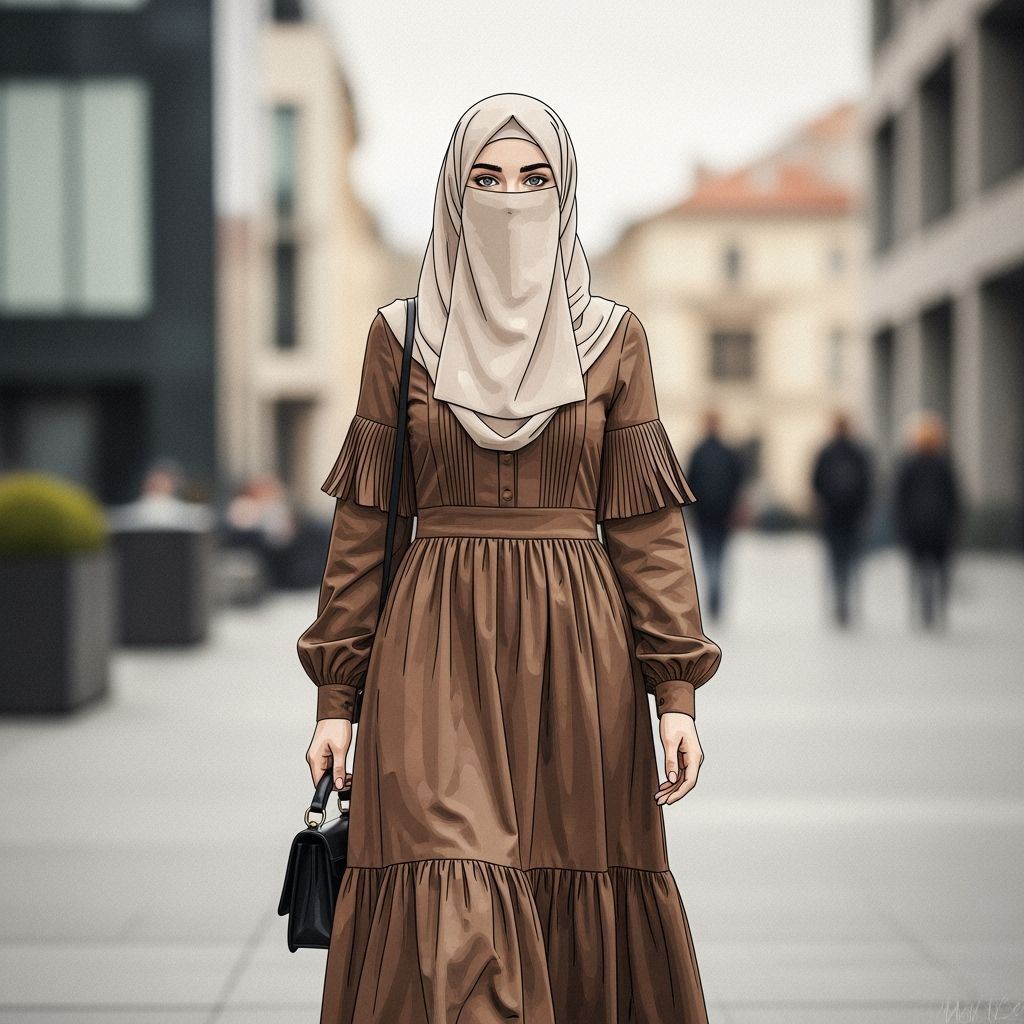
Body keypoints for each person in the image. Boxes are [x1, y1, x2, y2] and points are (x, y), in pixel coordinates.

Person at [296, 93, 722, 1024]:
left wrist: (676, 691)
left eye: (535, 180)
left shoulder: (615, 338)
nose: (511, 199)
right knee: (454, 893)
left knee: (566, 883)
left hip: (579, 654)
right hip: (431, 645)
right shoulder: (399, 334)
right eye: (485, 180)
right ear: (452, 194)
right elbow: (365, 527)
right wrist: (337, 696)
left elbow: (646, 531)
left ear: (566, 195)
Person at [893, 411, 962, 630]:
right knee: (940, 569)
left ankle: (924, 607)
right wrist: (955, 522)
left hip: (916, 526)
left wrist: (901, 524)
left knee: (919, 569)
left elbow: (899, 498)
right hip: (940, 526)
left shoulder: (909, 465)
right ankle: (938, 607)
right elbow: (955, 497)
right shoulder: (943, 464)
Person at [811, 411, 874, 626]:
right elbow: (868, 485)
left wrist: (821, 506)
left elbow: (815, 483)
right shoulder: (858, 453)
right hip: (851, 517)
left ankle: (840, 603)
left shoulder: (826, 452)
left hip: (833, 517)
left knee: (835, 562)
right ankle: (846, 603)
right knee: (851, 562)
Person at [685, 409, 745, 619]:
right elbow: (738, 483)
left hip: (710, 515)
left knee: (711, 557)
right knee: (717, 557)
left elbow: (689, 485)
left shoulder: (699, 452)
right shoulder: (727, 453)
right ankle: (715, 594)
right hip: (718, 514)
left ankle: (713, 594)